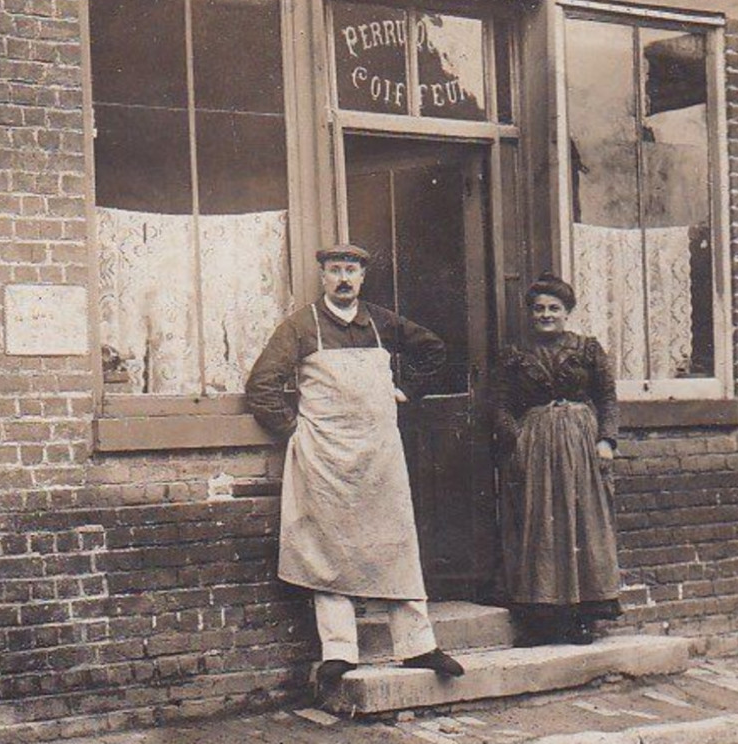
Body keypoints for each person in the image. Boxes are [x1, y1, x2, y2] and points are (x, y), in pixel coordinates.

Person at [246, 243, 466, 701]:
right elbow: (262, 386)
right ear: (322, 276)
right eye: (334, 271)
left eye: (351, 271)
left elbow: (434, 350)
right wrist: (296, 433)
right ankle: (340, 651)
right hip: (324, 458)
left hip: (378, 456)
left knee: (395, 541)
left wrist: (407, 392)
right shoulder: (300, 327)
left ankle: (418, 645)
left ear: (362, 278)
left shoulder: (382, 322)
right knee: (329, 549)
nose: (343, 279)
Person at [493, 276, 622, 646]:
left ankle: (582, 618)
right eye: (539, 309)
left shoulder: (588, 350)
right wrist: (515, 439)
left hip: (581, 445)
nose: (546, 315)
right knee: (540, 528)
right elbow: (500, 404)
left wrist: (606, 440)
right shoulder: (515, 354)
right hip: (535, 445)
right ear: (530, 313)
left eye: (554, 309)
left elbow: (608, 398)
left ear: (567, 313)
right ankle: (541, 620)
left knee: (582, 524)